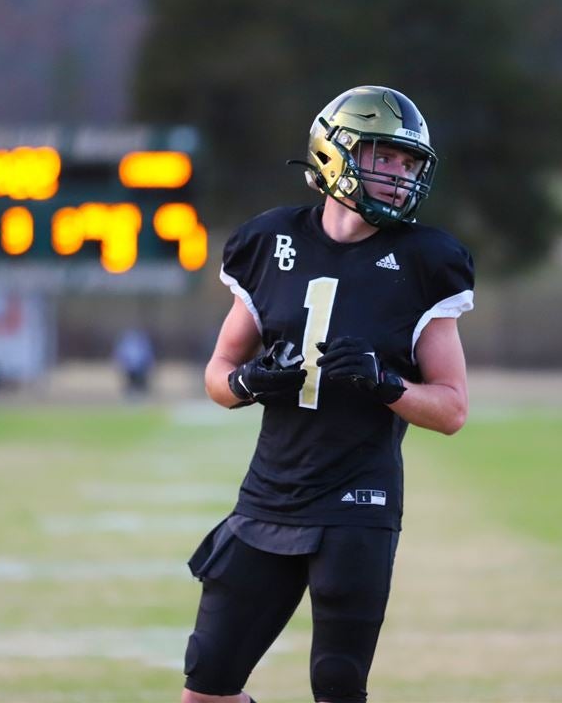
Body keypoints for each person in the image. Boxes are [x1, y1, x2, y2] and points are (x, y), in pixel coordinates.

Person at [181, 86, 474, 703]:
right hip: (268, 496)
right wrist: (249, 383)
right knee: (206, 687)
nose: (400, 175)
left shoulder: (427, 259)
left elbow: (451, 409)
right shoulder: (268, 241)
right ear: (335, 154)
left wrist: (387, 384)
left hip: (356, 501)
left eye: (409, 163)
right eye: (384, 157)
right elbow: (218, 375)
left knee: (336, 687)